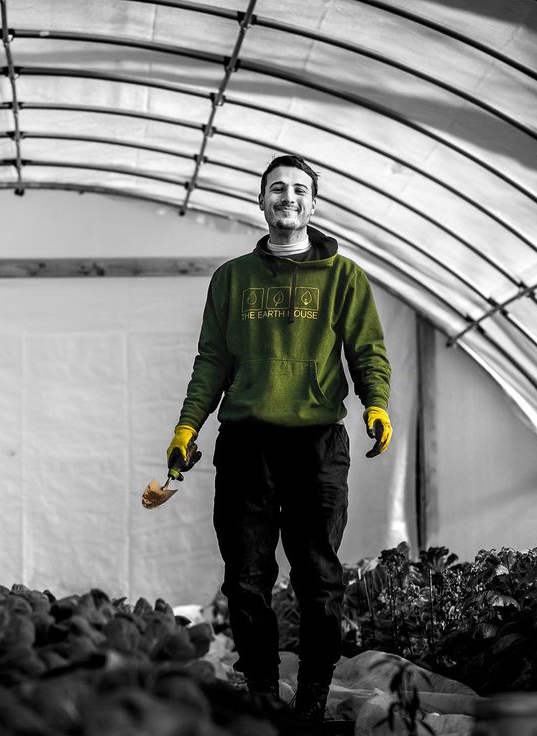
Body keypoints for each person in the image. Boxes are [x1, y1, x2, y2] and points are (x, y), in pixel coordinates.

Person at [165, 154, 393, 724]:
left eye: (298, 190)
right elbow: (212, 361)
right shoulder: (232, 279)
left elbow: (367, 350)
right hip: (246, 445)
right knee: (246, 579)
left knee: (319, 577)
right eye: (276, 190)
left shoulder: (345, 278)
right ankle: (263, 691)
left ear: (313, 203)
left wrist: (376, 405)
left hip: (317, 444)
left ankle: (313, 696)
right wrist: (187, 426)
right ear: (261, 202)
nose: (287, 198)